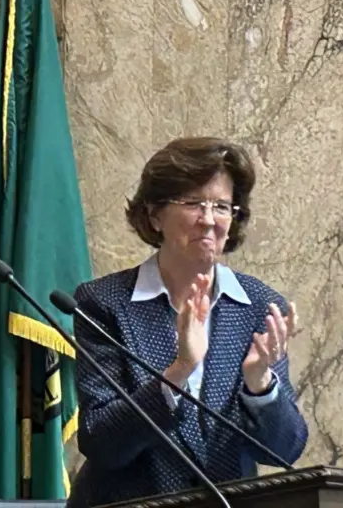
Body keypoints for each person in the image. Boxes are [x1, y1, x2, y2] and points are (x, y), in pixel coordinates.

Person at [67, 137, 309, 506]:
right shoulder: (105, 303)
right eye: (194, 203)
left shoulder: (259, 306)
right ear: (155, 215)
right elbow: (102, 442)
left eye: (222, 206)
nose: (209, 220)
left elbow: (284, 450)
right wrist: (179, 371)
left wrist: (259, 383)